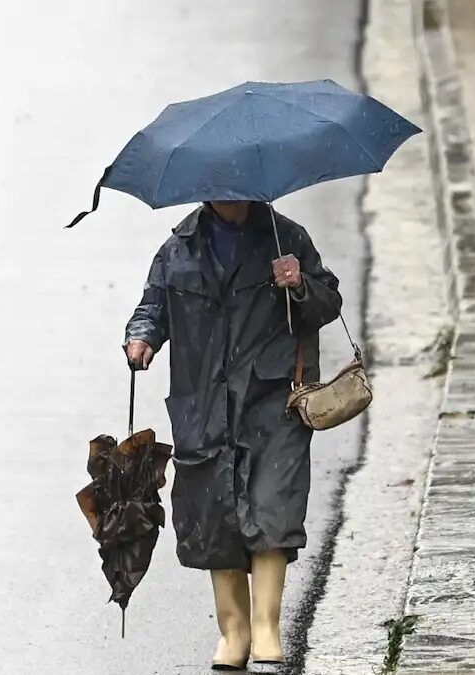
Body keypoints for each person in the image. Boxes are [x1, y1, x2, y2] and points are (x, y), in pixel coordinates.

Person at [123, 200, 341, 670]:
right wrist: (141, 336)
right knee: (215, 512)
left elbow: (328, 303)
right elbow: (153, 306)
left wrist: (300, 283)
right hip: (202, 400)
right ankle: (234, 632)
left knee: (273, 503)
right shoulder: (178, 249)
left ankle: (266, 627)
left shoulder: (288, 238)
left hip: (272, 397)